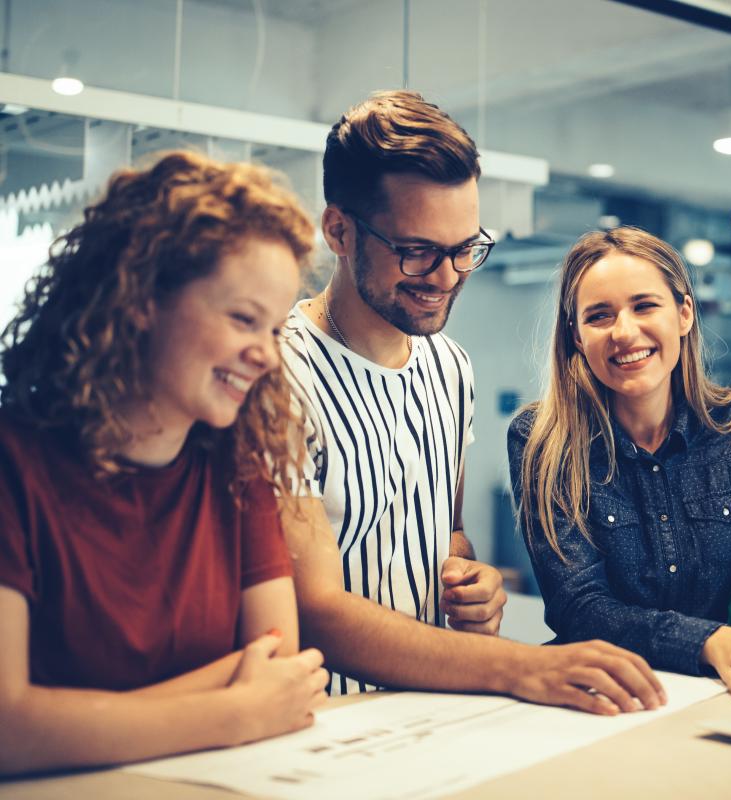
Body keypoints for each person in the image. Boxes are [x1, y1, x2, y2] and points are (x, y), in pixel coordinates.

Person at [281, 91, 663, 713]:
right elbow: (312, 608)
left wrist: (474, 582)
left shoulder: (449, 366)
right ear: (339, 231)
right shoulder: (276, 374)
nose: (448, 276)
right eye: (417, 251)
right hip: (319, 722)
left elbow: (449, 533)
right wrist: (517, 665)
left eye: (465, 248)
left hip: (434, 715)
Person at [0, 151, 329, 775]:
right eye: (242, 319)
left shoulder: (238, 466)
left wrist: (68, 722)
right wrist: (233, 712)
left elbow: (279, 668)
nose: (263, 355)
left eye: (275, 329)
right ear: (141, 297)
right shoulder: (13, 461)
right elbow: (6, 729)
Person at [509, 226, 731, 703]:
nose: (624, 332)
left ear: (684, 313)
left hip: (718, 693)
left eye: (644, 306)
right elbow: (578, 608)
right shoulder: (541, 441)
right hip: (598, 698)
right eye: (599, 316)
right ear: (577, 337)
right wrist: (707, 642)